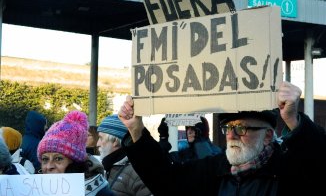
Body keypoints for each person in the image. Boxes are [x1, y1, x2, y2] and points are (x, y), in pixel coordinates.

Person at [118, 81, 326, 195]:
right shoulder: (214, 168)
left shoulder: (290, 171)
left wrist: (293, 120)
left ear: (267, 136)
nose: (231, 135)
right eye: (228, 127)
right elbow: (166, 181)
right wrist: (137, 131)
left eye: (241, 128)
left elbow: (318, 162)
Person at [37, 110, 115, 196]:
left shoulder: (102, 193)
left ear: (75, 162)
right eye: (45, 159)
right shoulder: (36, 190)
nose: (49, 166)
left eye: (58, 158)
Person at [97, 114, 153, 196]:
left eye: (101, 138)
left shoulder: (138, 171)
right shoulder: (107, 167)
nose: (97, 143)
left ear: (115, 141)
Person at [158, 116, 222, 163]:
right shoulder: (185, 154)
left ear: (201, 130)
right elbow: (165, 162)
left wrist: (199, 140)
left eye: (193, 128)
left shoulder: (216, 152)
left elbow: (206, 163)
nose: (189, 132)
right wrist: (163, 138)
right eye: (188, 128)